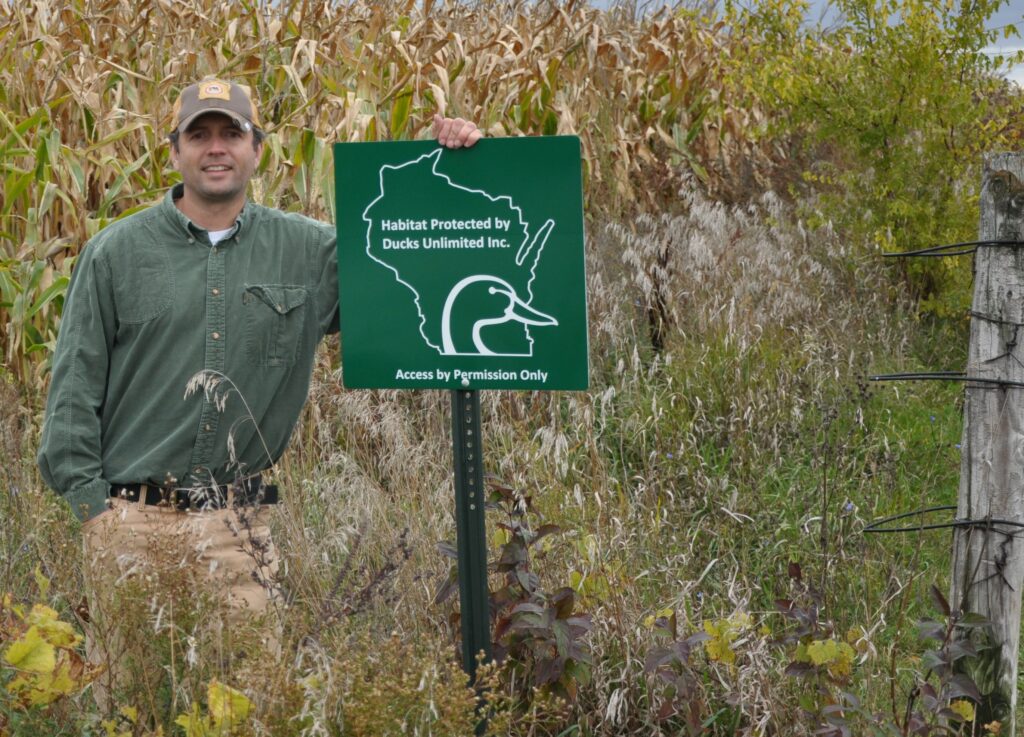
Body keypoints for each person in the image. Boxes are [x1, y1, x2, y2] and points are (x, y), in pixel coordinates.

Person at [36, 77, 482, 706]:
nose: (216, 148)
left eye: (231, 134)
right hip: (130, 526)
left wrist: (452, 156)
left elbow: (419, 255)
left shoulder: (312, 252)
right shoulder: (116, 254)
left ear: (257, 149)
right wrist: (96, 514)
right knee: (131, 710)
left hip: (237, 532)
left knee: (251, 707)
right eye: (199, 135)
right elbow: (73, 391)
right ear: (175, 151)